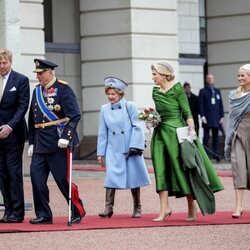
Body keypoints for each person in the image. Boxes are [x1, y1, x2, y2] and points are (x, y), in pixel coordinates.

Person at [150, 61, 224, 222]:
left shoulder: (178, 90)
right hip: (160, 136)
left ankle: (192, 205)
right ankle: (164, 208)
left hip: (178, 134)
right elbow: (158, 113)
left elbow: (187, 113)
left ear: (163, 74)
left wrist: (192, 132)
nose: (153, 77)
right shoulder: (155, 92)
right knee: (160, 170)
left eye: (155, 74)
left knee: (183, 170)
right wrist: (151, 118)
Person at [28, 58, 85, 224]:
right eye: (37, 74)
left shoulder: (63, 89)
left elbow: (74, 115)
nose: (38, 77)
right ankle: (44, 214)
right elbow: (33, 120)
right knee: (36, 179)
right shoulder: (37, 91)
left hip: (58, 142)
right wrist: (31, 142)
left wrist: (66, 137)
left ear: (50, 72)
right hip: (40, 143)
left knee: (62, 180)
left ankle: (76, 210)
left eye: (41, 73)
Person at [97, 77, 151, 218]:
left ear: (120, 93)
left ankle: (137, 207)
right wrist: (100, 153)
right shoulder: (104, 109)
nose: (110, 97)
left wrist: (135, 146)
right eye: (108, 94)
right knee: (111, 177)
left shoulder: (130, 106)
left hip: (129, 147)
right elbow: (102, 132)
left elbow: (137, 126)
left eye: (113, 94)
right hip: (113, 148)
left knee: (133, 177)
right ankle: (108, 207)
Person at [0, 48, 30, 223]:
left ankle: (18, 212)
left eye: (4, 62)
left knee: (13, 172)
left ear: (10, 62)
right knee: (2, 174)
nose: (2, 66)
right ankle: (8, 210)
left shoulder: (20, 80)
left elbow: (22, 107)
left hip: (13, 134)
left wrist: (9, 126)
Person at [224, 64, 250, 218]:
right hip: (238, 134)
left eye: (243, 75)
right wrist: (228, 138)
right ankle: (238, 206)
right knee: (238, 167)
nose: (240, 78)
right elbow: (232, 118)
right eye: (238, 75)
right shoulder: (234, 95)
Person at [199, 73, 224, 161]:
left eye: (211, 78)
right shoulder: (203, 91)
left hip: (216, 118)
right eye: (208, 78)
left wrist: (222, 116)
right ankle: (206, 155)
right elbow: (201, 105)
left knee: (216, 137)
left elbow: (220, 104)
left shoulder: (217, 91)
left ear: (214, 79)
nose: (210, 80)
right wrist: (202, 116)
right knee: (206, 137)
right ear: (206, 80)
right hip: (207, 118)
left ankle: (216, 154)